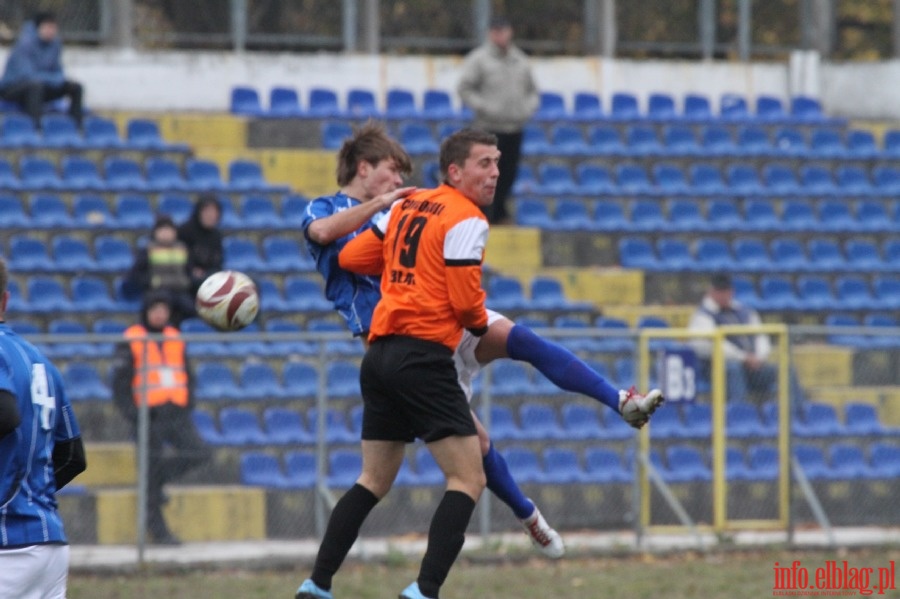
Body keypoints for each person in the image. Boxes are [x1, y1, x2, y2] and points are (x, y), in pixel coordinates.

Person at [295, 129, 663, 599]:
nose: (495, 173)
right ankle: (435, 583)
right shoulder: (390, 211)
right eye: (485, 164)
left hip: (390, 345)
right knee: (470, 470)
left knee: (378, 476)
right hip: (426, 341)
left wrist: (403, 260)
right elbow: (459, 299)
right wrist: (433, 283)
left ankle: (317, 584)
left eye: (497, 164)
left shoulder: (403, 208)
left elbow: (351, 255)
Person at [0, 257, 87, 599]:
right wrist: (31, 501)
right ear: (5, 300)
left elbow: (5, 413)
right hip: (48, 545)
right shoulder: (40, 361)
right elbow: (73, 456)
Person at [111, 290, 211, 545]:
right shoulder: (132, 338)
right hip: (148, 416)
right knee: (150, 472)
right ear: (146, 311)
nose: (160, 313)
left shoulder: (175, 337)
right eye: (155, 308)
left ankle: (160, 478)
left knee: (199, 453)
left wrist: (187, 404)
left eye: (164, 309)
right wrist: (134, 415)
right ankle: (159, 532)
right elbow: (119, 385)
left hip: (175, 413)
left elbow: (187, 375)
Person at [457, 15, 539, 225]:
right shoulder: (479, 59)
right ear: (489, 33)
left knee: (509, 172)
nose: (500, 35)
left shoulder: (520, 60)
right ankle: (486, 212)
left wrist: (526, 109)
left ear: (510, 32)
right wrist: (485, 108)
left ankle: (501, 212)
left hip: (514, 126)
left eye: (503, 30)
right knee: (488, 173)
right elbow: (464, 88)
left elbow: (533, 91)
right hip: (489, 128)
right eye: (496, 30)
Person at [688, 273, 805, 410]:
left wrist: (759, 358)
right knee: (733, 369)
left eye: (726, 291)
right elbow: (707, 346)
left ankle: (796, 414)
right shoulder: (703, 315)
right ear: (712, 292)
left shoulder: (745, 312)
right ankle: (741, 415)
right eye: (720, 291)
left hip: (753, 367)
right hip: (717, 369)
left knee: (786, 370)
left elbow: (760, 336)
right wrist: (743, 357)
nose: (724, 295)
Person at [0, 12, 84, 129]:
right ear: (38, 28)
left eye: (53, 28)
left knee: (75, 87)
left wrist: (57, 80)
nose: (51, 31)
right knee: (35, 86)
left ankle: (76, 127)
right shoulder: (25, 44)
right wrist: (54, 79)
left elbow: (59, 71)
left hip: (42, 85)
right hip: (12, 88)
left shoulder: (55, 45)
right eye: (48, 27)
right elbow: (27, 75)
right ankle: (36, 128)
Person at [123, 214, 195, 325]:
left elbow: (189, 271)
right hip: (157, 291)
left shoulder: (182, 249)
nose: (166, 233)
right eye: (162, 229)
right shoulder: (148, 250)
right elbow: (136, 274)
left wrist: (187, 281)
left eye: (169, 229)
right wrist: (152, 282)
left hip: (180, 291)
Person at [177, 194, 224, 296]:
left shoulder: (217, 235)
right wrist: (191, 269)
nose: (211, 215)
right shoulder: (184, 231)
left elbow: (219, 260)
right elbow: (178, 257)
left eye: (214, 212)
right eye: (207, 211)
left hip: (211, 275)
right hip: (187, 277)